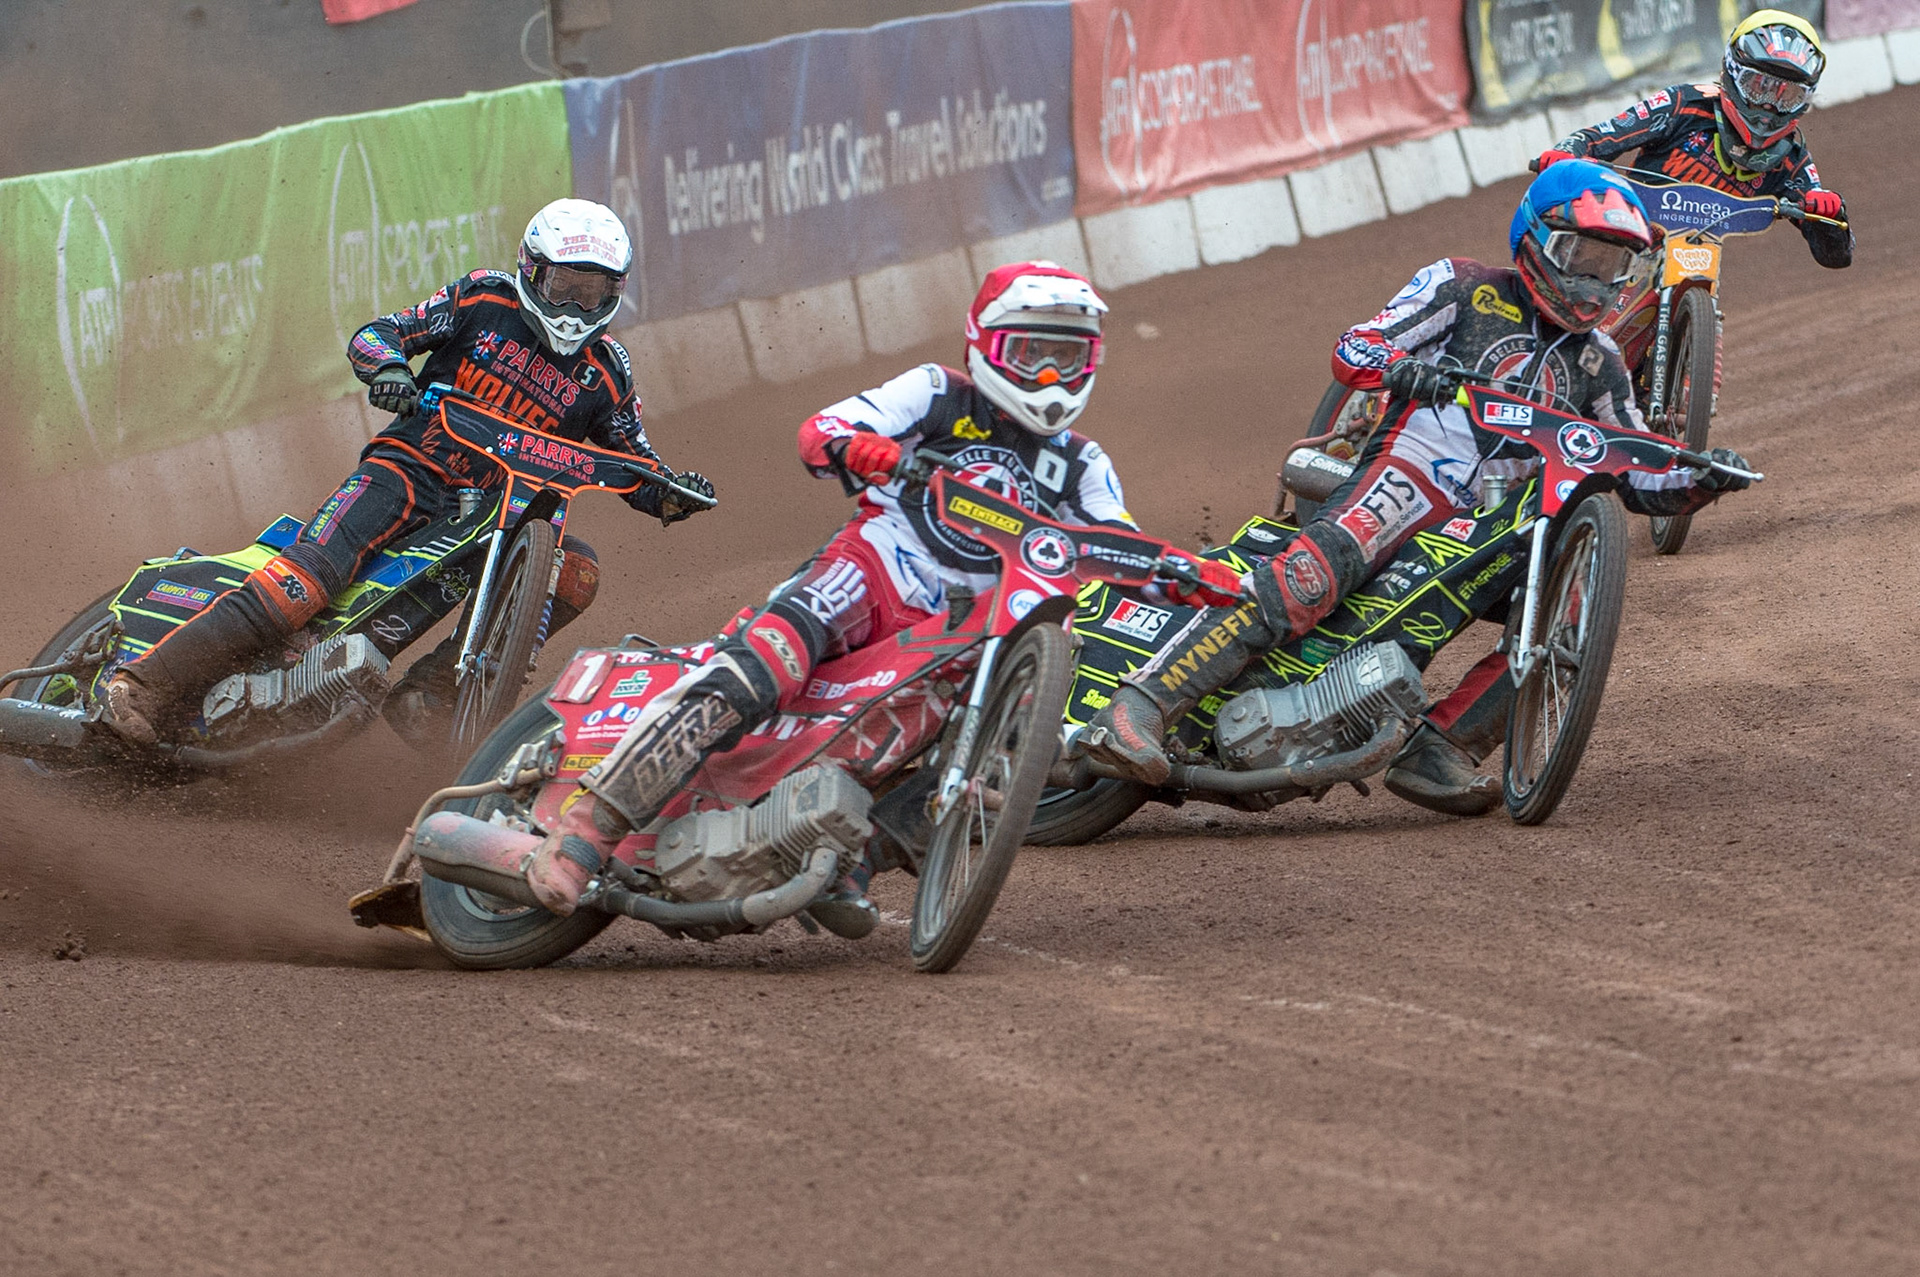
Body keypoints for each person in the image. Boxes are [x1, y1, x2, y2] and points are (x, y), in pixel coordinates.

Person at [514, 261, 1242, 933]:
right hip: (867, 575)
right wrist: (862, 447)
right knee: (753, 675)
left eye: (1068, 357)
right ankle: (588, 832)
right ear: (985, 345)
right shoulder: (935, 393)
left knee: (1001, 751)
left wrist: (1188, 571)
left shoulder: (1083, 464)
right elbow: (824, 429)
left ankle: (849, 863)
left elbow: (1117, 542)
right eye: (1030, 356)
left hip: (950, 634)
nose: (1049, 375)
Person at [1081, 161, 1753, 812]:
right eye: (1582, 257)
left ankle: (1442, 748)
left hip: (1494, 519)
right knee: (1309, 579)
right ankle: (1144, 701)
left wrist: (1700, 478)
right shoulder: (1461, 287)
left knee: (1566, 609)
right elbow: (1356, 346)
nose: (1593, 284)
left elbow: (1635, 462)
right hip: (1410, 475)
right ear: (1538, 239)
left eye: (1611, 269)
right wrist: (1402, 370)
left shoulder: (1600, 361)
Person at [100, 199, 715, 747]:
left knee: (574, 569)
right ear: (532, 269)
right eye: (565, 286)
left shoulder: (608, 371)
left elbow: (635, 459)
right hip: (410, 468)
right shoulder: (483, 297)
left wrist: (670, 493)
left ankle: (433, 692)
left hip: (491, 516)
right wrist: (391, 369)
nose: (577, 306)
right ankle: (143, 685)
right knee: (307, 580)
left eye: (594, 293)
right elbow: (379, 333)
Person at [1538, 9, 1851, 269]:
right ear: (1732, 72)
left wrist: (1831, 214)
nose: (1769, 107)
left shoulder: (1791, 157)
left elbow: (1835, 257)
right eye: (1761, 87)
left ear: (1805, 100)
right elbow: (1600, 136)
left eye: (1788, 95)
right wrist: (1566, 154)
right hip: (1619, 236)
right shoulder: (1683, 105)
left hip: (1695, 262)